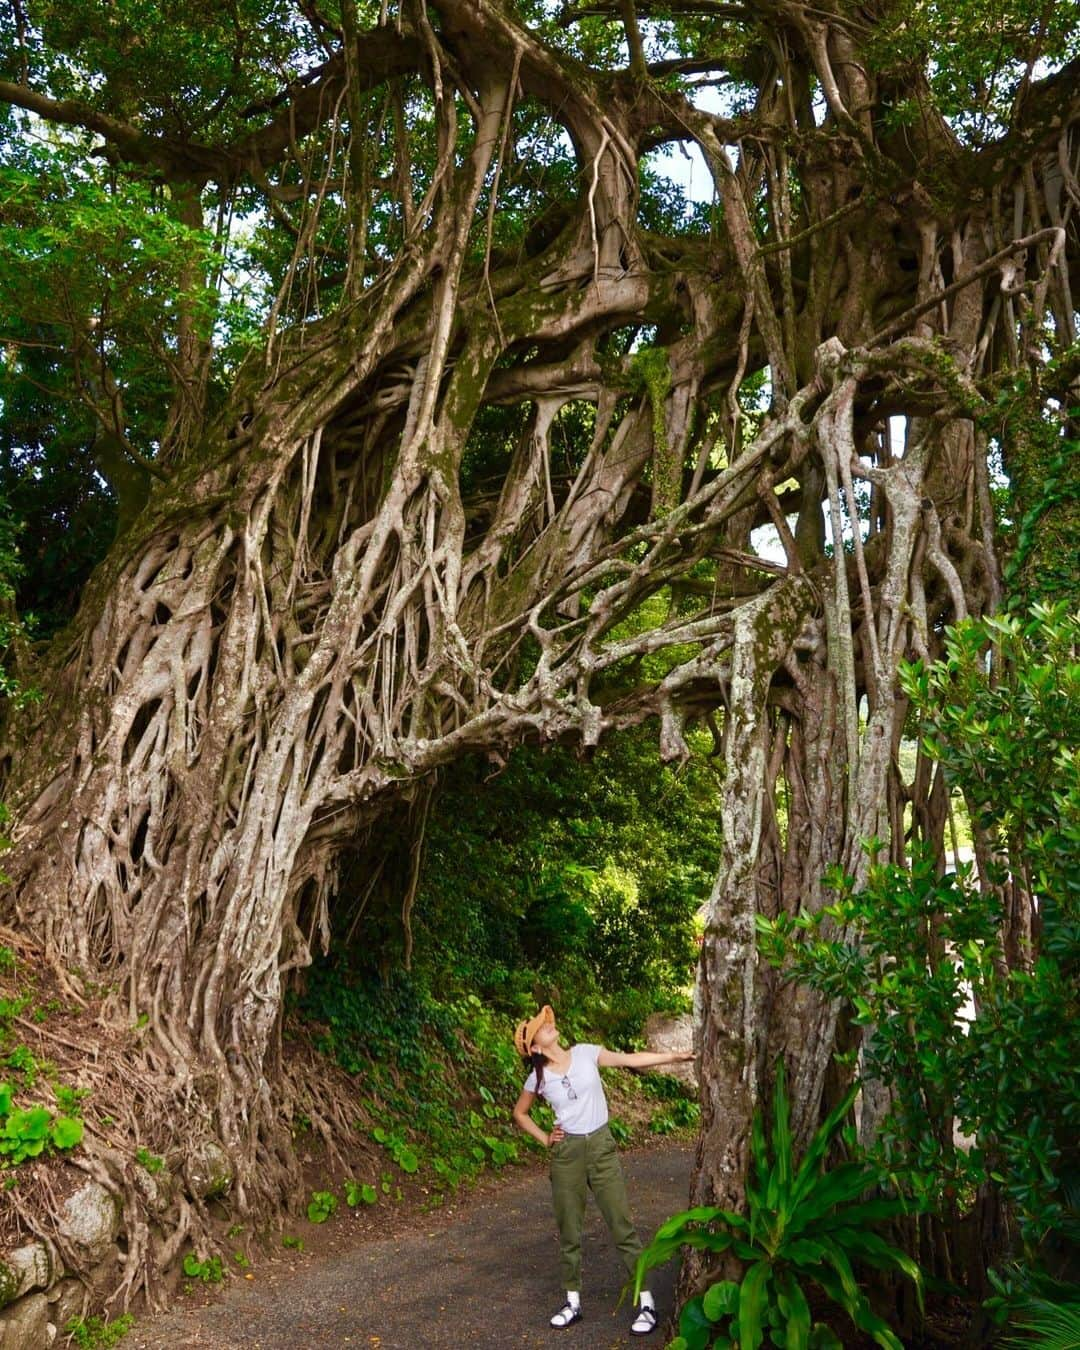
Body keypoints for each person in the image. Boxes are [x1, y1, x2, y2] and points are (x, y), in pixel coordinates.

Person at [511, 1004, 695, 1336]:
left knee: (621, 1224)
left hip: (601, 1146)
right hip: (567, 1154)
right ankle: (572, 1302)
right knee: (570, 1230)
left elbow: (629, 1058)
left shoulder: (585, 1054)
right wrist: (545, 1139)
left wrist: (675, 1058)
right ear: (535, 1047)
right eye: (542, 1027)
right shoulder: (537, 1077)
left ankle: (646, 1303)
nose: (550, 1026)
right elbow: (520, 1113)